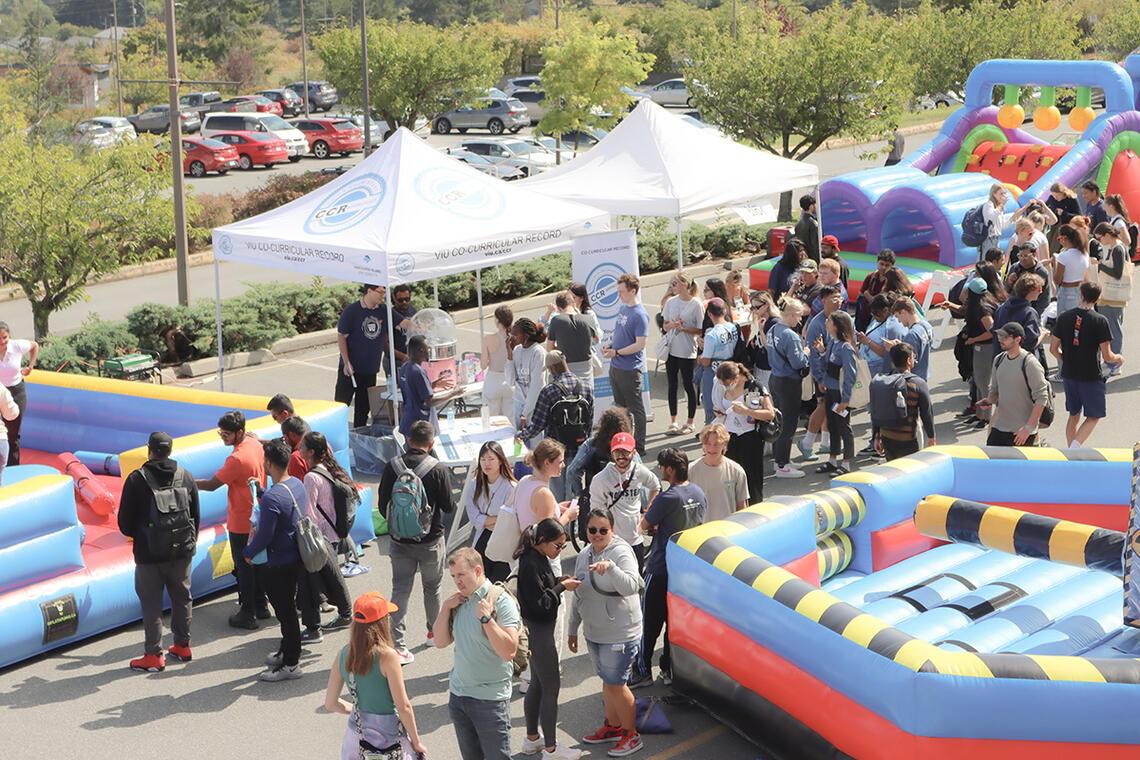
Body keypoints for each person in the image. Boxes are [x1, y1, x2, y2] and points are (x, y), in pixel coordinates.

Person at [118, 431, 200, 672]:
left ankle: (154, 655)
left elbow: (124, 524)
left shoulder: (137, 480)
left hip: (149, 555)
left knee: (152, 604)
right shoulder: (186, 476)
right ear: (170, 451)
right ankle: (183, 646)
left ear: (149, 450)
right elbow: (196, 515)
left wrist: (144, 536)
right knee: (182, 598)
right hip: (182, 551)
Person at [568, 509, 645, 757]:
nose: (598, 534)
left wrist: (611, 568)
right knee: (608, 682)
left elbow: (632, 586)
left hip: (619, 633)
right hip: (595, 632)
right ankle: (612, 727)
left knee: (616, 684)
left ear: (612, 530)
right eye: (592, 530)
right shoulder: (584, 555)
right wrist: (572, 628)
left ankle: (632, 735)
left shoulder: (621, 553)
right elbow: (578, 594)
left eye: (603, 530)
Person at [377, 420, 455, 663]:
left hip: (400, 541)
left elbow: (382, 506)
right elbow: (448, 506)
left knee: (400, 589)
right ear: (431, 444)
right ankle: (434, 631)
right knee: (432, 588)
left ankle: (397, 645)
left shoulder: (393, 466)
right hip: (431, 541)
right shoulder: (438, 469)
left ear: (408, 440)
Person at [433, 547, 521, 760]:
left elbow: (509, 651)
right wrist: (445, 607)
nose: (457, 581)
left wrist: (487, 619)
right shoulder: (459, 601)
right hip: (459, 697)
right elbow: (440, 641)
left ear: (478, 570)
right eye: (453, 576)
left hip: (490, 701)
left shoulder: (500, 601)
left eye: (461, 574)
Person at [631, 448, 706, 689]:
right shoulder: (698, 492)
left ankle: (642, 671)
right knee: (675, 624)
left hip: (661, 567)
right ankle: (669, 669)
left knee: (649, 623)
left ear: (671, 470)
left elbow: (642, 526)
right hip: (686, 571)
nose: (660, 470)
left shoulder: (668, 497)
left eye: (662, 467)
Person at [323, 592, 427, 760]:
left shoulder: (344, 654)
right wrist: (416, 742)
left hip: (356, 740)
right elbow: (404, 707)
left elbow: (330, 703)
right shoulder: (388, 656)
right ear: (382, 622)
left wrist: (356, 709)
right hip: (389, 739)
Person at [516, 519, 583, 760]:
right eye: (558, 546)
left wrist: (560, 582)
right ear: (542, 541)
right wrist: (562, 587)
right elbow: (542, 603)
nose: (560, 550)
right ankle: (552, 749)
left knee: (536, 684)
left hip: (536, 631)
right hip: (540, 633)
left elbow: (544, 588)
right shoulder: (530, 563)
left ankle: (532, 739)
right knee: (551, 688)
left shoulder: (536, 557)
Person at [195, 410, 267, 629]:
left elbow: (211, 484)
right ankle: (261, 605)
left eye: (226, 434)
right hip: (257, 516)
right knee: (257, 565)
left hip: (241, 522)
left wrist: (186, 480)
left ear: (239, 432)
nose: (223, 438)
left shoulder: (236, 458)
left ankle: (247, 614)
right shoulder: (254, 444)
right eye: (221, 433)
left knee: (243, 568)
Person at [246, 440, 308, 681]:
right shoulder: (296, 484)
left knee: (286, 613)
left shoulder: (273, 497)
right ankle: (286, 652)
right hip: (294, 558)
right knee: (287, 610)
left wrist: (247, 553)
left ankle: (291, 664)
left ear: (268, 463)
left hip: (277, 563)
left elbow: (264, 535)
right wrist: (261, 492)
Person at [1051, 282, 1125, 447]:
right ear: (1098, 299)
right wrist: (1119, 358)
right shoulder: (1100, 321)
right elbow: (1107, 355)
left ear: (1081, 295)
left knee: (1074, 414)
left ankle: (1071, 449)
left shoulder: (1064, 317)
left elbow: (1053, 349)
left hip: (1069, 374)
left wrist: (1066, 359)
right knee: (1093, 416)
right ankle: (1074, 449)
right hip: (1091, 375)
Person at [300, 431, 356, 632]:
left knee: (326, 578)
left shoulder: (311, 477)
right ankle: (337, 612)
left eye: (302, 447)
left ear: (311, 452)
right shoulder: (329, 468)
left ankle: (342, 615)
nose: (299, 449)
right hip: (332, 532)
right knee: (329, 577)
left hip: (320, 536)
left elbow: (308, 512)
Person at [589, 432, 660, 573]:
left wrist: (648, 510)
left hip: (636, 539)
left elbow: (655, 486)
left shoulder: (639, 471)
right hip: (612, 542)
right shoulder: (601, 479)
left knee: (637, 579)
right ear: (611, 452)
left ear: (634, 452)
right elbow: (596, 512)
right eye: (617, 451)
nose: (621, 456)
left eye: (625, 451)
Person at [978, 323, 1049, 447]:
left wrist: (1028, 428)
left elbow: (1042, 397)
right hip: (1000, 427)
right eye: (999, 336)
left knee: (1022, 467)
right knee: (992, 463)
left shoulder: (1030, 363)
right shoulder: (998, 360)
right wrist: (989, 401)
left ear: (1018, 339)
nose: (1000, 340)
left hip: (1021, 432)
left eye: (1005, 337)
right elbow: (995, 389)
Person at [714, 361, 775, 504]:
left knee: (751, 479)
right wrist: (719, 413)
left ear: (736, 377)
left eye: (727, 383)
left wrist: (746, 410)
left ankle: (755, 508)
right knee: (730, 477)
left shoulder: (753, 387)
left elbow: (769, 414)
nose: (726, 387)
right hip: (729, 436)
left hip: (749, 437)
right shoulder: (723, 387)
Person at [603, 274, 650, 454]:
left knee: (636, 409)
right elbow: (621, 335)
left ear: (633, 290)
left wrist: (617, 352)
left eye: (622, 291)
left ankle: (639, 446)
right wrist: (612, 346)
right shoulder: (624, 309)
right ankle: (625, 441)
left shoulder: (639, 314)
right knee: (621, 410)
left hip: (630, 370)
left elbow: (640, 344)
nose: (619, 295)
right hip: (616, 367)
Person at [517, 350, 594, 460]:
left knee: (557, 476)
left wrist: (521, 435)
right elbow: (589, 422)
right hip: (579, 450)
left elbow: (537, 425)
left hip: (556, 453)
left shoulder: (549, 391)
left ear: (551, 369)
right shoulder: (587, 387)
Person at [460, 441, 516, 584]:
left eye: (491, 459)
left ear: (501, 461)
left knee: (498, 586)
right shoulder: (475, 483)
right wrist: (496, 519)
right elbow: (473, 516)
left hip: (503, 541)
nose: (487, 463)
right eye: (483, 459)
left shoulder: (510, 487)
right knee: (479, 583)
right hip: (483, 537)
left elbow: (510, 518)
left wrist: (486, 520)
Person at [335, 284, 389, 429]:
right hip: (350, 370)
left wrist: (418, 325)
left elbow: (403, 322)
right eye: (380, 292)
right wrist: (346, 362)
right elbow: (341, 337)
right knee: (340, 406)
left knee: (363, 409)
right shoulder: (352, 311)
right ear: (369, 291)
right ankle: (337, 435)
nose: (382, 295)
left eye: (384, 292)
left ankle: (359, 435)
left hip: (370, 370)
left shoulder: (383, 311)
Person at [767, 297, 810, 479]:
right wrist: (806, 353)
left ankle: (780, 459)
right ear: (791, 314)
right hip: (788, 382)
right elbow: (798, 362)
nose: (799, 320)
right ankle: (782, 465)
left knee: (778, 420)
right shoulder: (790, 335)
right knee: (788, 423)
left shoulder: (773, 329)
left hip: (775, 378)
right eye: (799, 316)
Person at [800, 287, 842, 463]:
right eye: (834, 298)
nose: (839, 300)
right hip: (824, 374)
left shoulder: (840, 317)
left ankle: (825, 442)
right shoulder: (817, 324)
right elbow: (814, 355)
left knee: (829, 406)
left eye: (840, 297)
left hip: (836, 372)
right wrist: (819, 378)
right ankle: (807, 442)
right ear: (823, 300)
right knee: (824, 405)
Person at [872, 344, 935, 461]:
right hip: (908, 439)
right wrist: (931, 437)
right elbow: (927, 413)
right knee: (912, 472)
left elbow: (876, 410)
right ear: (908, 360)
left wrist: (876, 436)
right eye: (913, 356)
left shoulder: (883, 382)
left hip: (887, 437)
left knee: (894, 472)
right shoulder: (918, 383)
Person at [814, 311, 858, 475]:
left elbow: (850, 374)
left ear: (837, 325)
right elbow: (828, 365)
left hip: (840, 394)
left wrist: (845, 400)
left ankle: (846, 463)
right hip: (831, 392)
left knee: (843, 426)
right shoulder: (833, 343)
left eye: (829, 320)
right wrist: (822, 351)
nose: (826, 321)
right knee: (832, 424)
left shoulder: (846, 348)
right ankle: (833, 459)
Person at [659, 271, 703, 435]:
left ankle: (690, 422)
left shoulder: (696, 304)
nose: (673, 286)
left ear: (685, 284)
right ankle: (673, 421)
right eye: (672, 283)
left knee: (688, 385)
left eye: (675, 283)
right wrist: (673, 325)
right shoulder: (670, 302)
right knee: (672, 384)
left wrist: (684, 328)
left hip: (687, 350)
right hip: (671, 348)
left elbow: (699, 328)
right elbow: (664, 325)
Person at [565, 407, 632, 508]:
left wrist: (581, 494)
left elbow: (572, 471)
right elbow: (638, 471)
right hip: (624, 499)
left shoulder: (591, 445)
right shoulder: (627, 445)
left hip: (596, 498)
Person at [398, 334, 461, 437]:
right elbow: (429, 402)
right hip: (420, 427)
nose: (430, 351)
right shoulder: (418, 371)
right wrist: (453, 394)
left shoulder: (405, 367)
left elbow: (413, 390)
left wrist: (432, 385)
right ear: (421, 350)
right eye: (429, 349)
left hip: (408, 422)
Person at [689, 423, 749, 522]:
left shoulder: (736, 471)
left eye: (716, 444)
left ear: (724, 444)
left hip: (727, 530)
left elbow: (742, 505)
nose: (712, 449)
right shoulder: (690, 470)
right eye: (707, 444)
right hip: (700, 531)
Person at [961, 277, 999, 428]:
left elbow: (991, 331)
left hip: (985, 348)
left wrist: (973, 339)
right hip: (980, 348)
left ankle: (987, 417)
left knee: (984, 383)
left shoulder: (982, 309)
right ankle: (979, 414)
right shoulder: (983, 303)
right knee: (978, 380)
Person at [697, 298, 738, 425]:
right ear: (725, 311)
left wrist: (699, 358)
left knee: (712, 404)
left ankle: (710, 427)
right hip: (731, 369)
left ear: (709, 314)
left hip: (714, 372)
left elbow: (706, 361)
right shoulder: (733, 327)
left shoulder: (712, 335)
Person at [0, 322, 37, 466]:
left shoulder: (16, 346)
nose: (2, 342)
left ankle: (12, 467)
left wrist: (30, 366)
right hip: (0, 391)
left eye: (5, 338)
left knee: (13, 433)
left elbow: (34, 346)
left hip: (16, 391)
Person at [546, 291, 599, 390]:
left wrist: (563, 347)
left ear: (558, 308)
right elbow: (596, 340)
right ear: (573, 303)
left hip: (566, 367)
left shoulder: (556, 321)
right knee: (587, 398)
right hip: (586, 367)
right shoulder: (588, 318)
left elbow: (549, 348)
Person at [1094, 222, 1129, 360]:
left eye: (1099, 238)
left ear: (1107, 235)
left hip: (1113, 295)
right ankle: (1114, 359)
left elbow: (1117, 273)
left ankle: (1116, 360)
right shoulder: (1116, 247)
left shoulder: (1117, 249)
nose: (1099, 241)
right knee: (1114, 326)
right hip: (1113, 294)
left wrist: (1100, 265)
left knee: (1113, 328)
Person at [992, 274, 1045, 358]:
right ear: (1031, 290)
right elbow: (1031, 343)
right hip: (1020, 363)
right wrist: (1043, 334)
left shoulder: (1002, 308)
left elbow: (994, 331)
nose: (1041, 291)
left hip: (1000, 360)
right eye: (1039, 289)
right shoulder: (1029, 313)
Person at [511, 318, 549, 434]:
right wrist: (509, 355)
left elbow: (537, 386)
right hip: (519, 404)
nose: (512, 337)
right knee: (520, 444)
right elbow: (510, 380)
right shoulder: (517, 351)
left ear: (526, 336)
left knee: (535, 444)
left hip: (534, 407)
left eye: (515, 334)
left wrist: (525, 413)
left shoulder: (538, 352)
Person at [886, 298, 934, 382]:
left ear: (903, 312)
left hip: (914, 378)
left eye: (898, 316)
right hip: (924, 374)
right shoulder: (927, 325)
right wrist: (901, 345)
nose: (899, 321)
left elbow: (908, 362)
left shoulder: (911, 335)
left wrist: (893, 349)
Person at [481, 305, 515, 419]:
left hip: (493, 380)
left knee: (490, 419)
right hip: (510, 380)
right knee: (510, 418)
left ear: (497, 320)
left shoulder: (488, 339)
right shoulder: (514, 338)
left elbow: (483, 365)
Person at [1053, 223, 1091, 315]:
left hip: (1067, 291)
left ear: (1064, 238)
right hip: (1080, 290)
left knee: (1064, 321)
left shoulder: (1064, 256)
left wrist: (1055, 263)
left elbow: (1057, 280)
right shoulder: (1084, 254)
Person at [981, 183, 1028, 255]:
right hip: (988, 239)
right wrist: (1002, 205)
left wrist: (1012, 219)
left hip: (996, 238)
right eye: (1001, 194)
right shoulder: (989, 205)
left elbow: (1003, 226)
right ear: (994, 194)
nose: (1003, 196)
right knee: (986, 261)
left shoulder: (999, 207)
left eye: (1004, 193)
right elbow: (991, 217)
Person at [1005, 244, 1052, 314]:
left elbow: (1045, 298)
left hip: (1032, 309)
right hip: (1014, 308)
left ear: (1034, 255)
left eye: (1026, 256)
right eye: (1020, 256)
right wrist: (1009, 282)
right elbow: (1006, 290)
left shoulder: (1041, 272)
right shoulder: (1014, 268)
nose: (1022, 259)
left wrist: (1037, 314)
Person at [856, 250, 895, 331]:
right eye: (881, 264)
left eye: (887, 265)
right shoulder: (871, 277)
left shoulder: (892, 282)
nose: (883, 267)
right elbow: (861, 294)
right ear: (877, 263)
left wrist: (869, 297)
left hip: (879, 320)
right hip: (865, 316)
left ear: (892, 266)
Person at [747, 291, 780, 388]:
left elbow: (770, 349)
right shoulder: (763, 319)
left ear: (766, 305)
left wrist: (761, 330)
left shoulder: (774, 323)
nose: (754, 311)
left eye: (756, 307)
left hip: (768, 369)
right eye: (752, 308)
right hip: (759, 365)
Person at [768, 238, 805, 303]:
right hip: (782, 305)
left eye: (803, 250)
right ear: (792, 254)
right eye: (800, 251)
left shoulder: (803, 266)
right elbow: (771, 291)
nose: (803, 253)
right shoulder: (779, 268)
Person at [794, 194, 820, 263]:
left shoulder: (798, 223)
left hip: (802, 257)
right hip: (813, 259)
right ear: (811, 206)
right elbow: (815, 246)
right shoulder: (813, 223)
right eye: (815, 205)